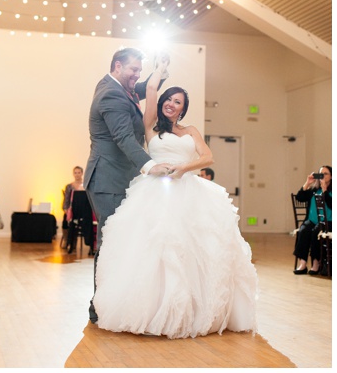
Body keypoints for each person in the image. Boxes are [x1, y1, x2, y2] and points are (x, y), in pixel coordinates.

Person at [92, 58, 258, 339]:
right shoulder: (151, 126)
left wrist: (184, 168)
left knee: (191, 248)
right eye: (169, 99)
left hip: (187, 190)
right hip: (153, 190)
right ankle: (150, 307)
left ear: (183, 108)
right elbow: (153, 88)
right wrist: (159, 69)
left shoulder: (191, 131)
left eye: (177, 101)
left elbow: (208, 157)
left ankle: (191, 308)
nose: (171, 104)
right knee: (154, 247)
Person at [84, 47, 171, 324]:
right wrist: (150, 165)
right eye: (133, 69)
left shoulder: (117, 84)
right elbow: (123, 138)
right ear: (118, 66)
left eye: (139, 70)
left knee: (121, 241)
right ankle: (99, 307)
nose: (137, 76)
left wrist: (160, 71)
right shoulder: (111, 94)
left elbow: (142, 88)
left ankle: (114, 300)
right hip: (107, 179)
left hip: (119, 178)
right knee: (110, 242)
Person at [293, 166, 332, 275]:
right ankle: (303, 263)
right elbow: (299, 198)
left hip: (328, 222)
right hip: (312, 220)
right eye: (321, 174)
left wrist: (324, 190)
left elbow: (331, 204)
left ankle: (316, 262)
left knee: (315, 232)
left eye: (326, 173)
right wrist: (308, 183)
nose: (323, 176)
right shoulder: (314, 190)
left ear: (332, 176)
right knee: (304, 230)